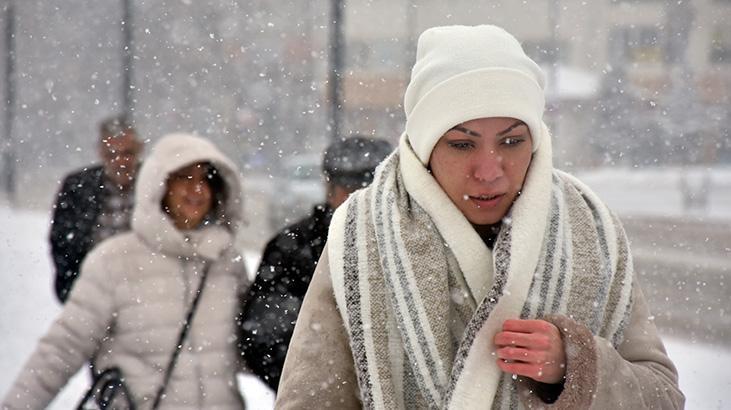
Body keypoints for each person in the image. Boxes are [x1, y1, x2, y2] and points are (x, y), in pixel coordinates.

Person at [275, 25, 684, 409]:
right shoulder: (362, 235)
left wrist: (576, 367)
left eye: (511, 140)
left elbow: (664, 397)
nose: (490, 169)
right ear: (424, 148)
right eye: (461, 144)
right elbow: (311, 400)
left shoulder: (591, 230)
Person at [3, 133, 251, 409]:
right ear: (158, 185)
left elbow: (252, 349)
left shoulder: (226, 261)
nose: (198, 190)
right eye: (185, 177)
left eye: (206, 179)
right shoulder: (113, 261)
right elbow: (62, 349)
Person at [239, 136, 392, 392]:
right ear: (329, 187)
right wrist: (317, 389)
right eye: (348, 187)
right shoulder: (291, 248)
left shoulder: (410, 242)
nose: (358, 197)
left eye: (369, 185)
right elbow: (263, 337)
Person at [49, 115, 142, 303]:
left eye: (128, 153)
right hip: (95, 290)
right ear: (100, 153)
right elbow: (62, 242)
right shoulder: (79, 188)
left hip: (146, 288)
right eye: (112, 154)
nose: (121, 161)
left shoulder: (157, 183)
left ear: (140, 150)